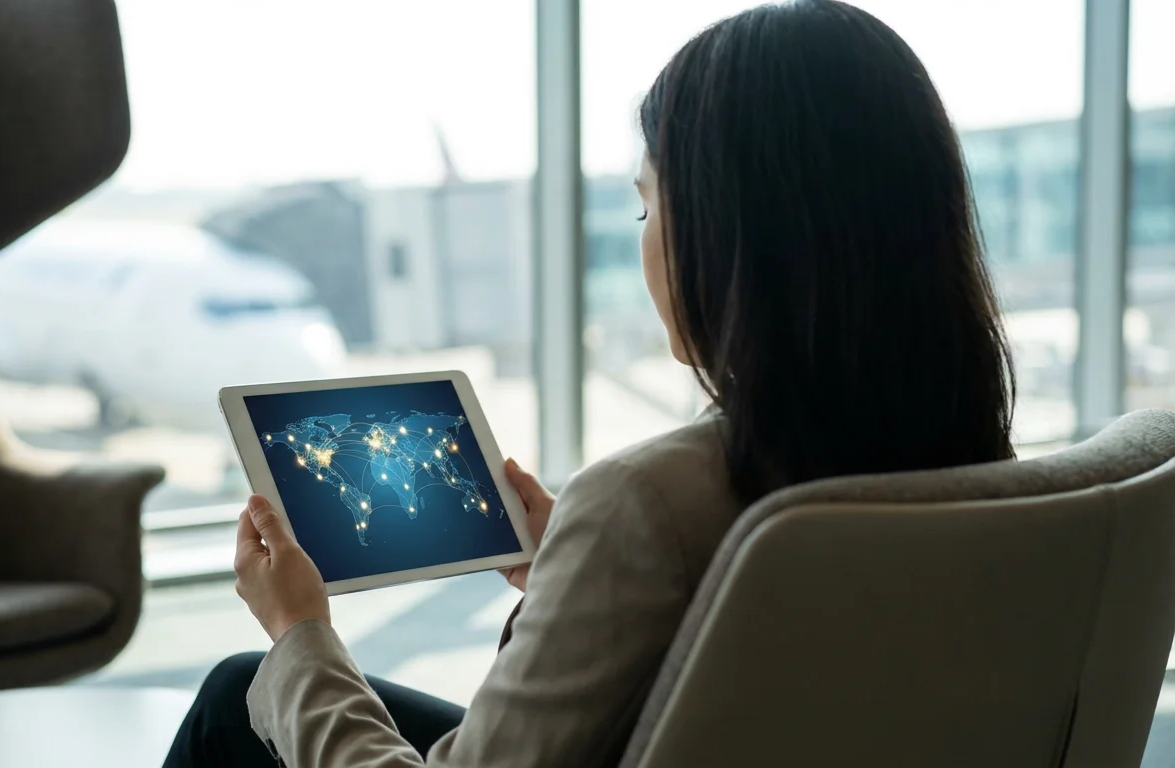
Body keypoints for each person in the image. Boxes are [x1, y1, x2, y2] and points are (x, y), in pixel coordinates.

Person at [164, 0, 1016, 765]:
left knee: (241, 700)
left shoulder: (648, 501)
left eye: (649, 207)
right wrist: (571, 582)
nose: (644, 240)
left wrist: (299, 631)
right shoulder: (982, 469)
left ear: (729, 234)